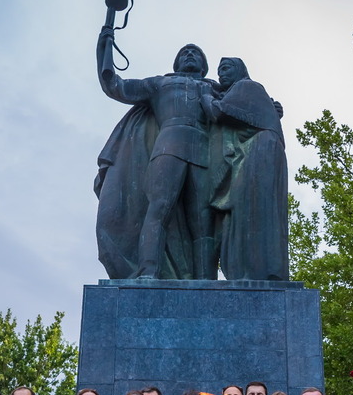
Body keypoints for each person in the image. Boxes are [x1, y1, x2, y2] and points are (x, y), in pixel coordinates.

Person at [95, 31, 218, 280]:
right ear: (177, 63)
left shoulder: (216, 88)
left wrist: (269, 109)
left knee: (203, 221)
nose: (190, 54)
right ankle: (148, 271)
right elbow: (114, 85)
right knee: (159, 208)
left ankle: (206, 281)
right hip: (168, 146)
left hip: (206, 152)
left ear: (204, 66)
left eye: (196, 53)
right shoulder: (160, 83)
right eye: (185, 52)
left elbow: (244, 105)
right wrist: (105, 48)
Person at [202, 57, 288, 282]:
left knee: (252, 211)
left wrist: (205, 98)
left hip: (260, 152)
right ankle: (250, 270)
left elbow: (218, 112)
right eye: (219, 71)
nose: (222, 74)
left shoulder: (246, 86)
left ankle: (256, 271)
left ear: (241, 70)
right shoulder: (243, 93)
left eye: (227, 68)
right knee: (247, 212)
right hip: (261, 151)